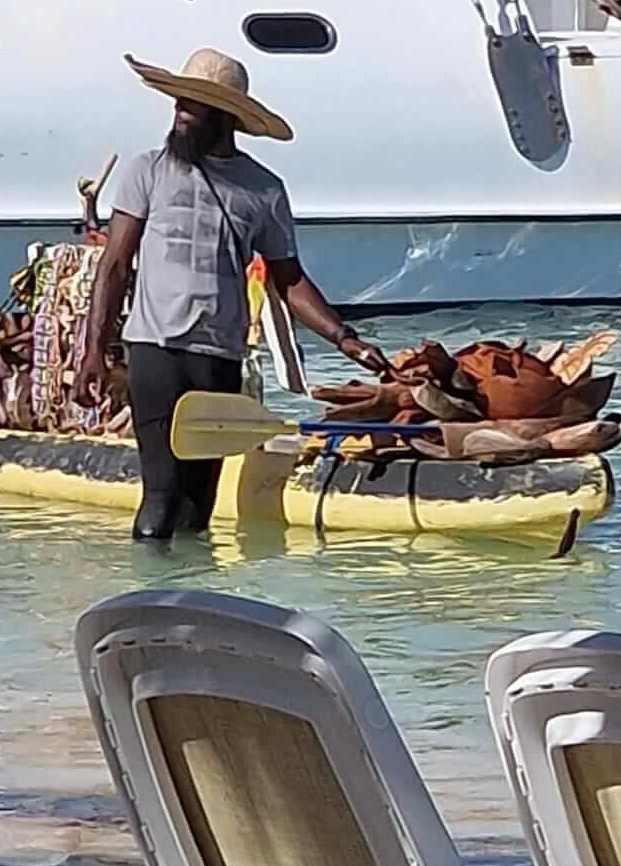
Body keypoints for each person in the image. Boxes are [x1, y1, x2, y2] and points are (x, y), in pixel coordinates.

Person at [74, 48, 389, 541]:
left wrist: (343, 338)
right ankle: (149, 602)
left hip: (219, 355)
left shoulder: (262, 189)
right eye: (177, 103)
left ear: (223, 117)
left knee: (200, 501)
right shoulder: (147, 171)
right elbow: (114, 267)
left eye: (190, 107)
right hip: (154, 351)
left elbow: (287, 277)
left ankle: (197, 602)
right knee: (161, 493)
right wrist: (93, 351)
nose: (178, 115)